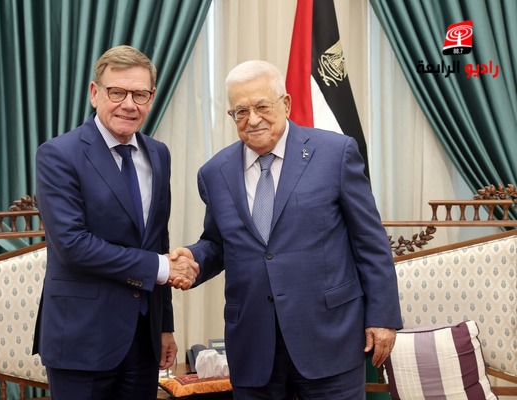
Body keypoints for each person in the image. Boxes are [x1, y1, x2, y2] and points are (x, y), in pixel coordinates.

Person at [170, 60, 402, 400]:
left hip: (329, 339)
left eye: (262, 106)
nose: (253, 119)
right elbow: (218, 243)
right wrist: (193, 259)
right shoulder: (214, 172)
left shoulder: (335, 153)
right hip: (253, 345)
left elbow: (370, 242)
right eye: (241, 111)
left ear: (286, 103)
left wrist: (382, 317)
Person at [33, 45, 199, 400]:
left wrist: (164, 326)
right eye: (117, 92)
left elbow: (157, 240)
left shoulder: (159, 154)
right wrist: (161, 268)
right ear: (95, 93)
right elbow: (73, 245)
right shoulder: (58, 155)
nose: (129, 104)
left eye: (140, 94)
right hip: (82, 339)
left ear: (151, 98)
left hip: (143, 339)